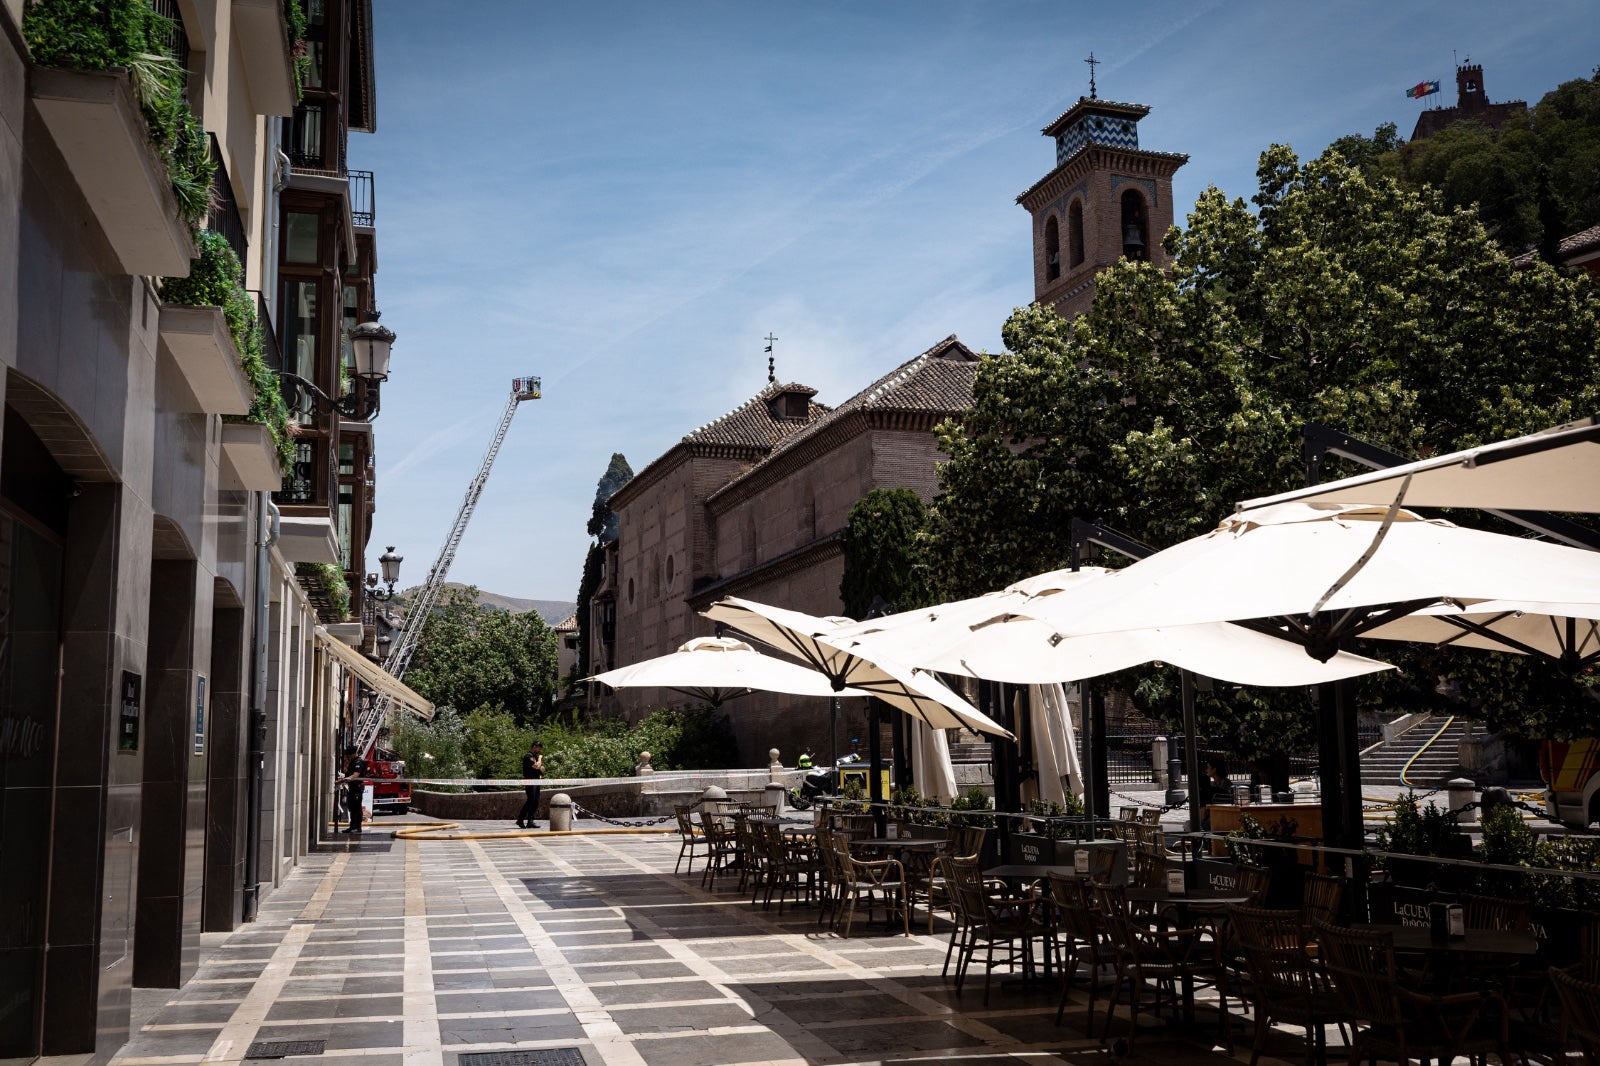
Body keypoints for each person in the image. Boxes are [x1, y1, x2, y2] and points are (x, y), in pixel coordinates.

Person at [338, 745, 368, 834]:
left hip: (357, 787)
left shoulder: (359, 762)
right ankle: (352, 826)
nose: (349, 756)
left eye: (350, 755)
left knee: (356, 807)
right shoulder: (352, 762)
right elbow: (348, 774)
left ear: (354, 753)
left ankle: (357, 827)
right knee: (351, 806)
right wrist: (342, 778)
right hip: (352, 787)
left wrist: (343, 780)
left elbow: (355, 775)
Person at [517, 739, 544, 829]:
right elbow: (537, 766)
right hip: (530, 782)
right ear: (534, 747)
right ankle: (520, 819)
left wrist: (539, 766)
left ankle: (530, 821)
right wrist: (540, 759)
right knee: (530, 800)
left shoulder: (535, 757)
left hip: (537, 781)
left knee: (535, 801)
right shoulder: (528, 756)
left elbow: (542, 768)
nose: (540, 750)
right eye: (539, 748)